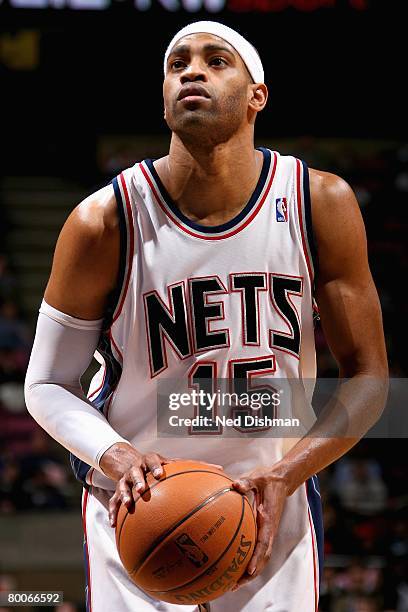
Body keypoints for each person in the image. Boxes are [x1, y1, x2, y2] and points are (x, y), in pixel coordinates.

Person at [24, 20, 388, 612]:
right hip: (140, 508)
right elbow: (44, 385)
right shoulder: (103, 221)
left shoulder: (318, 203)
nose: (192, 70)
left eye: (217, 60)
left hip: (272, 501)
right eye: (177, 64)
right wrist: (115, 456)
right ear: (164, 98)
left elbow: (371, 381)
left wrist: (288, 473)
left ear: (257, 96)